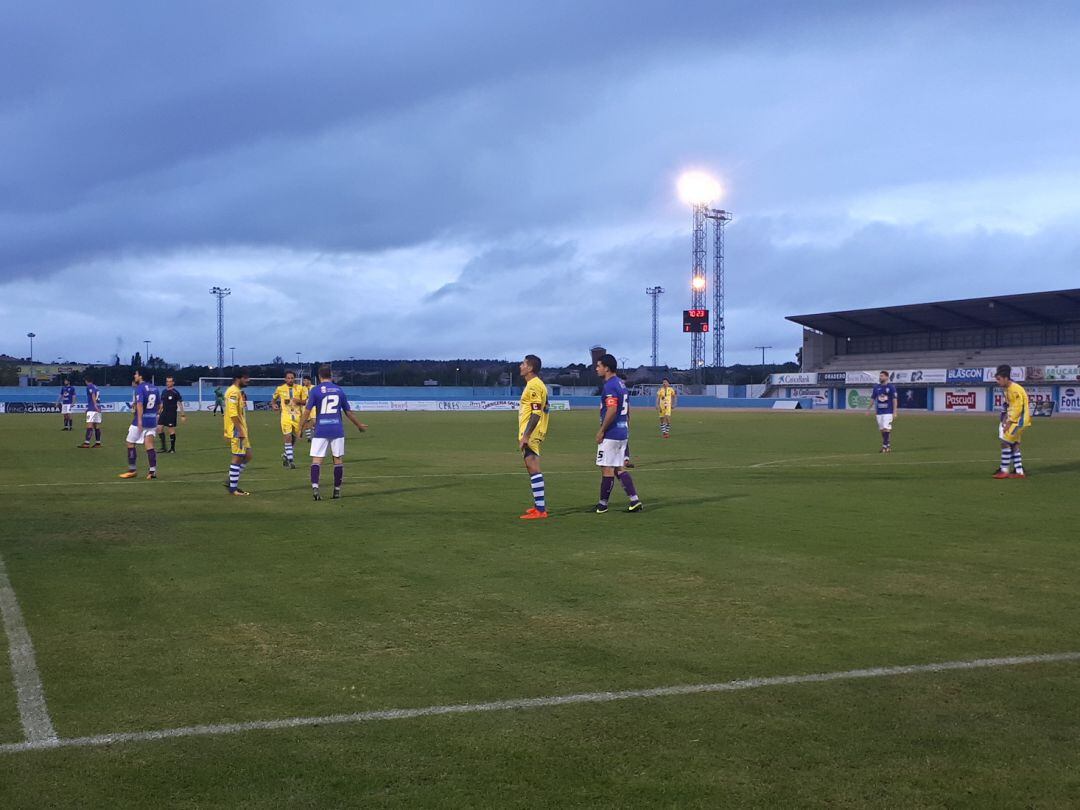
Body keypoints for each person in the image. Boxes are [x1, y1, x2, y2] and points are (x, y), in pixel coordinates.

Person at [301, 366, 367, 500]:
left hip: (321, 429)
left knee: (317, 460)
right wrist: (359, 425)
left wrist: (300, 427)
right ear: (331, 375)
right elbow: (348, 412)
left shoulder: (315, 390)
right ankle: (337, 491)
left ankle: (315, 488)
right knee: (337, 459)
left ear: (319, 376)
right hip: (337, 429)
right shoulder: (339, 390)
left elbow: (307, 411)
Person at [594, 354, 642, 513]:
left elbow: (612, 409)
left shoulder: (610, 386)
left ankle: (602, 505)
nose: (597, 369)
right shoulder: (621, 384)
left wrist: (602, 430)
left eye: (599, 366)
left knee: (607, 468)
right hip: (622, 431)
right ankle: (634, 500)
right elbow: (627, 410)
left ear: (607, 368)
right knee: (619, 468)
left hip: (611, 433)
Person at [517, 354, 550, 520]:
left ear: (530, 368)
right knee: (531, 467)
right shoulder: (537, 384)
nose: (520, 366)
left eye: (523, 364)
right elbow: (546, 407)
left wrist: (526, 435)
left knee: (533, 467)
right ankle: (538, 506)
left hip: (531, 433)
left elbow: (536, 412)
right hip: (533, 431)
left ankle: (541, 510)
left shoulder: (534, 385)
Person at [118, 370, 159, 480]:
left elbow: (140, 404)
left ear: (141, 376)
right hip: (152, 421)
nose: (134, 376)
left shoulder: (139, 388)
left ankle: (132, 470)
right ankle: (152, 471)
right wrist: (155, 416)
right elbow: (159, 405)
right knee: (149, 445)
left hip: (140, 422)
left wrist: (140, 420)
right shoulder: (155, 388)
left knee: (130, 442)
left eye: (136, 374)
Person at [993, 364, 1030, 479]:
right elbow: (1010, 406)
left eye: (999, 379)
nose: (997, 382)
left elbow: (1018, 408)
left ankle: (1004, 470)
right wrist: (1005, 417)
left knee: (1005, 442)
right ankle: (1019, 471)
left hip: (1019, 421)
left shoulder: (1014, 389)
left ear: (1005, 378)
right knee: (1014, 444)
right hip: (1017, 420)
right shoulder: (1007, 389)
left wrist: (1009, 422)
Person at [224, 370, 253, 495]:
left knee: (248, 455)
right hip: (237, 430)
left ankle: (231, 480)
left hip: (241, 429)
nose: (248, 380)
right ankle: (233, 488)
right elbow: (233, 414)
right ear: (238, 378)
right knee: (237, 457)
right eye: (245, 378)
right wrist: (240, 430)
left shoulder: (237, 392)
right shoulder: (233, 392)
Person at [271, 371, 304, 468]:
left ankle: (286, 455)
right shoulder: (280, 389)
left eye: (292, 378)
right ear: (285, 379)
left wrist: (299, 401)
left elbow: (305, 401)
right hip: (286, 416)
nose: (290, 380)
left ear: (294, 379)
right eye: (288, 378)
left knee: (295, 438)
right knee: (288, 437)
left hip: (297, 416)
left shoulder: (300, 388)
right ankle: (291, 461)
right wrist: (274, 405)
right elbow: (273, 400)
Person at [868, 371, 898, 453]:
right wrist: (868, 409)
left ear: (887, 377)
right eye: (880, 376)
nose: (880, 377)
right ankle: (888, 446)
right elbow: (873, 398)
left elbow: (894, 400)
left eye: (882, 376)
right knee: (882, 430)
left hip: (888, 411)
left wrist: (895, 412)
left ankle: (884, 447)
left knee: (886, 428)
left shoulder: (891, 387)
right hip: (879, 412)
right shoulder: (876, 387)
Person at [156, 377, 186, 453]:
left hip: (171, 413)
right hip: (164, 412)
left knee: (170, 429)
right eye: (167, 381)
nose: (168, 383)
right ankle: (163, 447)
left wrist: (182, 415)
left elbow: (180, 403)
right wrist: (159, 412)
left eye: (170, 381)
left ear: (173, 382)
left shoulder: (175, 392)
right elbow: (162, 403)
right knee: (159, 428)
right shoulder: (164, 391)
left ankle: (172, 448)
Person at [79, 375, 103, 448]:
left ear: (86, 381)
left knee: (89, 425)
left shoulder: (89, 386)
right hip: (98, 407)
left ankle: (87, 443)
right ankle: (98, 443)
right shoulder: (96, 387)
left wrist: (94, 405)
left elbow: (93, 395)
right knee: (96, 426)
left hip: (93, 408)